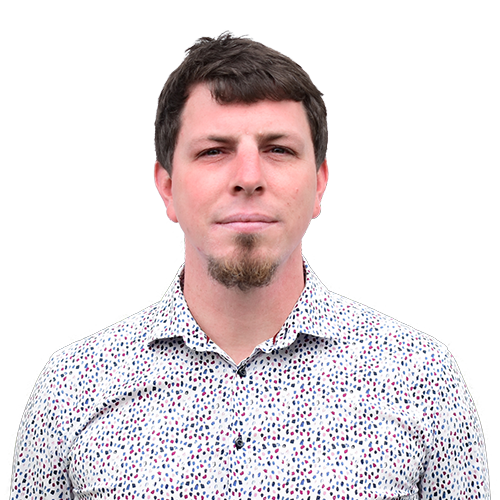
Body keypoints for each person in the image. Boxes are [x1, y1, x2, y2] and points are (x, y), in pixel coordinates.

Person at [11, 33, 489, 500]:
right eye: (213, 151)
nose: (248, 177)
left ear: (320, 184)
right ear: (167, 187)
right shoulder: (73, 387)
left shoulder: (421, 378)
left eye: (278, 149)